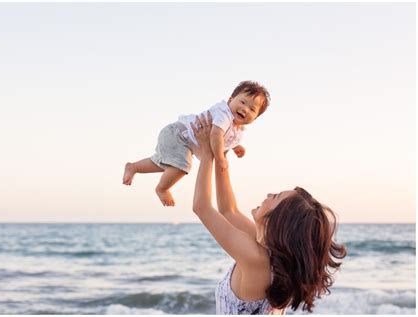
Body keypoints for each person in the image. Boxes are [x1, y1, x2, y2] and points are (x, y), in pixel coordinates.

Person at [190, 113, 347, 314]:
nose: (268, 194)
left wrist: (206, 154)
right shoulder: (268, 252)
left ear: (279, 220)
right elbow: (228, 211)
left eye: (276, 196)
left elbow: (201, 207)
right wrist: (221, 156)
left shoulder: (256, 259)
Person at [123, 81, 270, 207]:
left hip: (178, 137)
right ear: (230, 99)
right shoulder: (224, 113)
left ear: (255, 118)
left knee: (163, 165)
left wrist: (236, 147)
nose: (245, 109)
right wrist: (220, 158)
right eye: (243, 102)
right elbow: (216, 134)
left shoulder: (237, 128)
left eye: (252, 109)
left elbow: (226, 138)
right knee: (181, 167)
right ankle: (162, 188)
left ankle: (133, 167)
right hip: (179, 134)